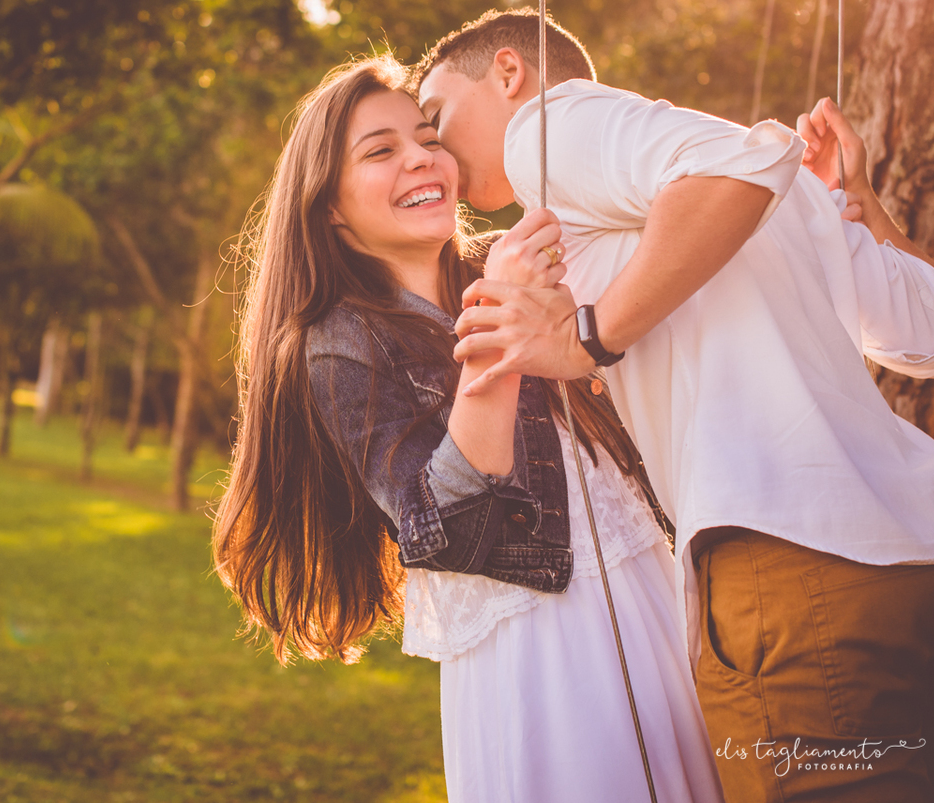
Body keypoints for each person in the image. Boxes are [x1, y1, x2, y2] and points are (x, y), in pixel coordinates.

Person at [414, 8, 934, 802]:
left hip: (792, 568)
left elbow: (736, 166)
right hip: (918, 560)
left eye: (435, 117)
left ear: (508, 73)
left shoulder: (547, 132)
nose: (433, 148)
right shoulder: (763, 185)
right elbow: (930, 331)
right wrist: (859, 203)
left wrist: (589, 337)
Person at [212, 55, 725, 801]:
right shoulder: (338, 341)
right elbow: (449, 523)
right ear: (328, 206)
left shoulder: (514, 262)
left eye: (427, 137)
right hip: (539, 647)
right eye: (381, 151)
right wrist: (499, 330)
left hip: (649, 595)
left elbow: (664, 259)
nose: (421, 157)